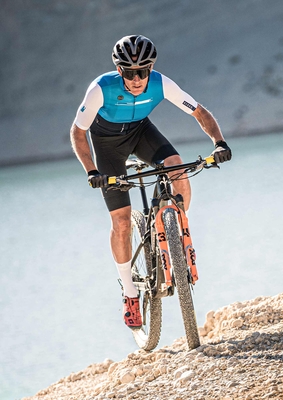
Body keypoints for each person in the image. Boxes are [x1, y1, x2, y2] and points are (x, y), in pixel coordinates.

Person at [70, 35, 232, 331]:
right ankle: (130, 292)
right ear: (119, 70)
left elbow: (199, 112)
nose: (136, 79)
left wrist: (219, 142)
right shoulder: (100, 89)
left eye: (142, 71)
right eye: (129, 72)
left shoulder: (161, 84)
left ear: (151, 68)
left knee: (177, 166)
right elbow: (78, 132)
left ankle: (177, 232)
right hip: (107, 145)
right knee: (121, 222)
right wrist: (92, 171)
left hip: (141, 133)